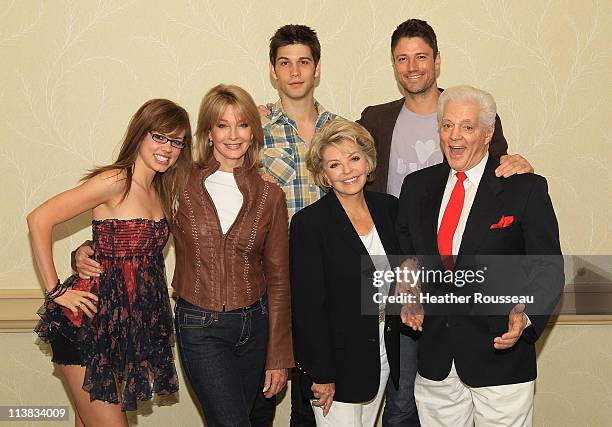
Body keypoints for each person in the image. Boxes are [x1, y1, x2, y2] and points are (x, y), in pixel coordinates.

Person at [75, 84, 294, 427]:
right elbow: (133, 223)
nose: (233, 135)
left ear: (254, 131)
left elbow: (279, 277)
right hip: (199, 326)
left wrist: (278, 356)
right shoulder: (179, 181)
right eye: (222, 125)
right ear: (209, 133)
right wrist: (87, 249)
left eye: (242, 124)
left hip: (255, 326)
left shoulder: (271, 195)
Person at [357, 19, 534, 426]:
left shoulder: (471, 107)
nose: (412, 66)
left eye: (421, 56)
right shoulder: (377, 118)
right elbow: (344, 159)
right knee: (405, 397)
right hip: (409, 272)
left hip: (474, 291)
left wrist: (518, 165)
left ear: (437, 61)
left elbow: (497, 182)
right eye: (402, 58)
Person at [396, 85, 563, 426]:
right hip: (436, 360)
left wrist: (527, 315)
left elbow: (548, 268)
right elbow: (407, 253)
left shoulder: (525, 188)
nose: (455, 137)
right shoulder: (416, 187)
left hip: (501, 355)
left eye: (468, 127)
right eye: (447, 125)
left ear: (488, 134)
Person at [28, 99, 192, 426]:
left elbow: (123, 245)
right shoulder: (116, 179)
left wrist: (86, 247)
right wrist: (55, 291)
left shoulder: (161, 188)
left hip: (122, 331)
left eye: (176, 142)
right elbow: (39, 219)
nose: (167, 148)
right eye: (159, 136)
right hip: (87, 324)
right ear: (140, 134)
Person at [254, 24, 339, 427]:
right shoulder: (252, 130)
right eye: (285, 63)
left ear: (317, 68)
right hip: (270, 282)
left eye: (303, 62)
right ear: (273, 71)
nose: (294, 72)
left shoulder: (341, 131)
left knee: (313, 405)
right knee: (261, 397)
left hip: (325, 285)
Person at [290, 118, 401, 427]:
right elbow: (308, 309)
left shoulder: (389, 209)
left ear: (368, 160)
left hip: (382, 350)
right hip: (335, 363)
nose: (348, 171)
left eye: (354, 158)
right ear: (324, 175)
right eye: (334, 165)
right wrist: (321, 375)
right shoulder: (309, 224)